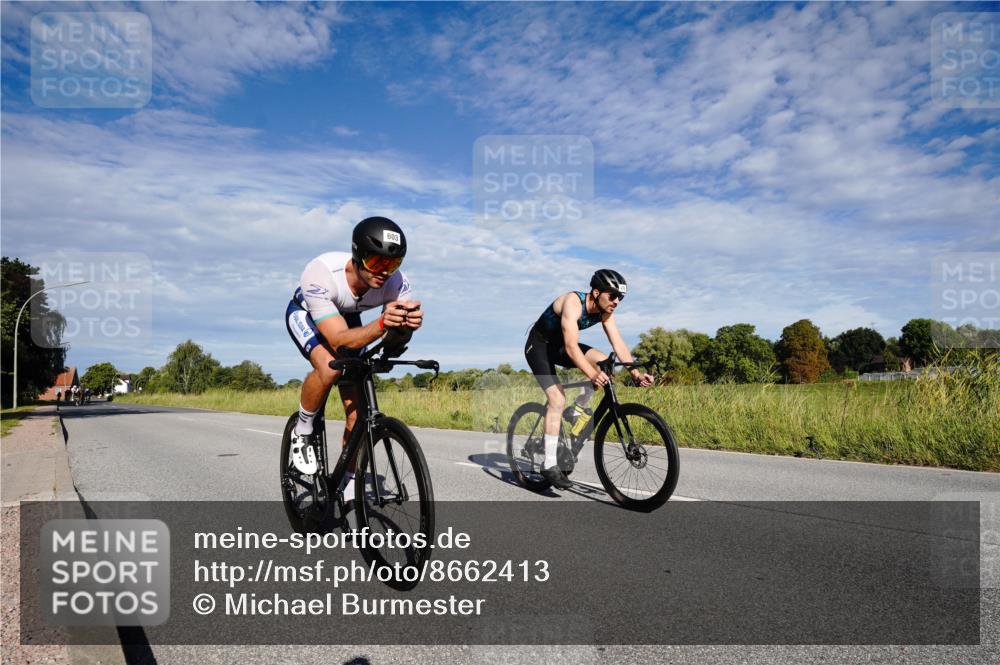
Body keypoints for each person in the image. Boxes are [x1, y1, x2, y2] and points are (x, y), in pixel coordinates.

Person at [285, 216, 423, 499]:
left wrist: (403, 329)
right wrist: (384, 324)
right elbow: (337, 339)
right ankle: (303, 428)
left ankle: (347, 479)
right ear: (358, 255)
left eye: (392, 264)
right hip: (309, 313)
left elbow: (391, 341)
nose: (384, 272)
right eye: (376, 262)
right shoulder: (321, 272)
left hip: (350, 319)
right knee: (329, 367)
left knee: (358, 412)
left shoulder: (397, 283)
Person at [524, 269, 654, 489]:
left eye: (620, 298)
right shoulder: (573, 303)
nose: (616, 302)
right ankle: (549, 464)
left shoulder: (606, 312)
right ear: (595, 292)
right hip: (539, 347)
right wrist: (592, 374)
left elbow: (618, 343)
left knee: (606, 361)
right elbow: (571, 347)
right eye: (612, 296)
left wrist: (635, 374)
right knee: (556, 398)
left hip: (560, 347)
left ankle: (576, 409)